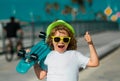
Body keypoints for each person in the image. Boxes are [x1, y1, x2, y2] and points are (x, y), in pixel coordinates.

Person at [33, 20, 99, 81]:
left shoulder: (75, 55)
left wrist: (90, 43)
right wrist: (34, 63)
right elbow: (41, 76)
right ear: (51, 40)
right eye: (57, 39)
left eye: (65, 39)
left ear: (69, 41)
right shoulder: (47, 56)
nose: (61, 42)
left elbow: (94, 63)